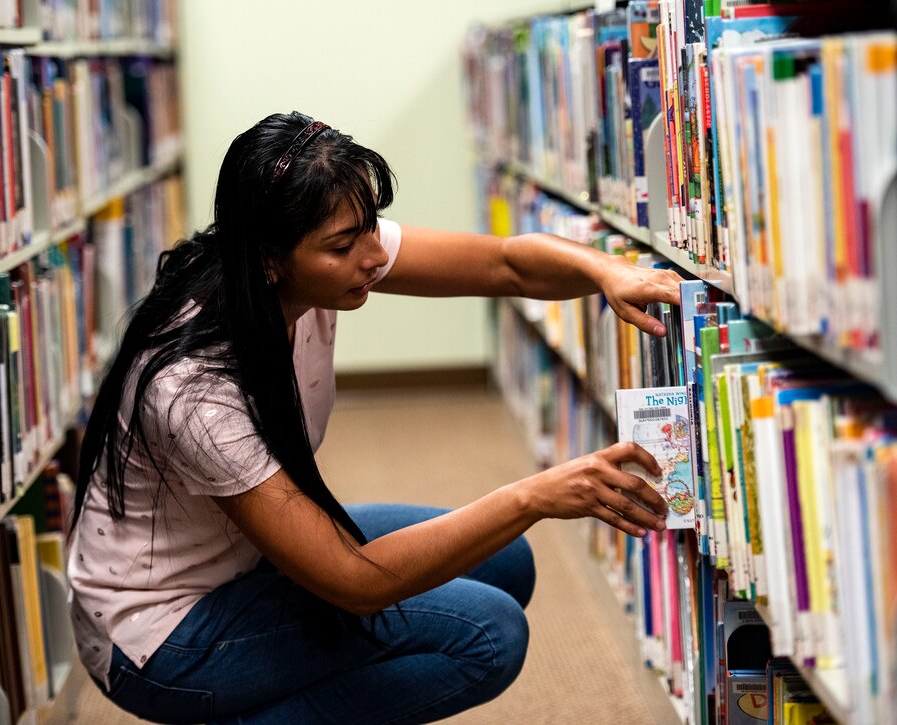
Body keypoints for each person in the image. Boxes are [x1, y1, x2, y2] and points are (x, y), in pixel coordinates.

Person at [67, 111, 678, 724]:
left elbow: (505, 265)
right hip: (161, 634)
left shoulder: (300, 265)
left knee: (505, 561)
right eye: (343, 246)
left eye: (368, 230)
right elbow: (355, 582)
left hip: (245, 557)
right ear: (270, 260)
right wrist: (534, 496)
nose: (372, 256)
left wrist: (607, 271)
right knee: (489, 634)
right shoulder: (193, 386)